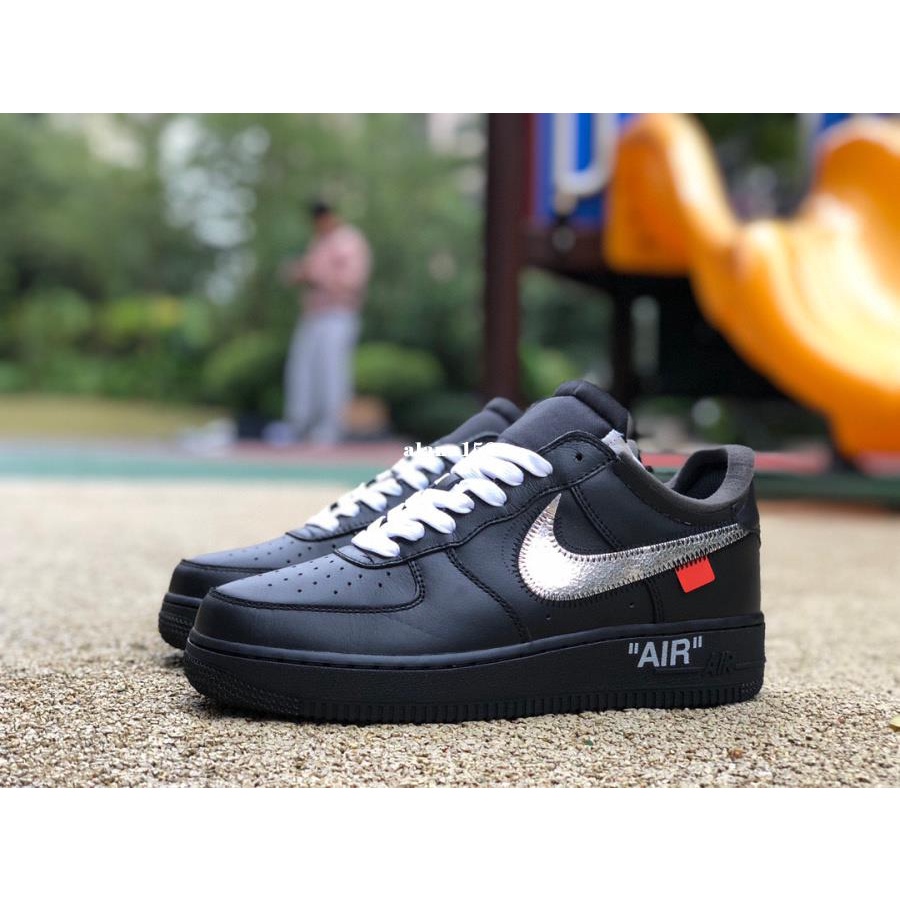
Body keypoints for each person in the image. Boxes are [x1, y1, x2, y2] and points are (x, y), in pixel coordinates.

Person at [280, 201, 371, 444]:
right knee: (301, 370)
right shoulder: (318, 243)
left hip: (338, 314)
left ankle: (332, 428)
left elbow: (352, 282)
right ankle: (299, 425)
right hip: (313, 315)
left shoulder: (349, 240)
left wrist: (314, 275)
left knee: (332, 372)